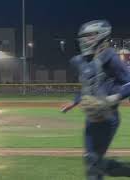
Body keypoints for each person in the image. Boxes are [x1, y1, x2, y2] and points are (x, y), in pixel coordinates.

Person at [61, 20, 130, 180]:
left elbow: (128, 82)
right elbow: (88, 85)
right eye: (83, 36)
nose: (85, 39)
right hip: (91, 117)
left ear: (102, 35)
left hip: (107, 115)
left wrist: (112, 98)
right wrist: (75, 101)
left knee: (93, 163)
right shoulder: (82, 60)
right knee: (91, 161)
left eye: (90, 35)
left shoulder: (110, 57)